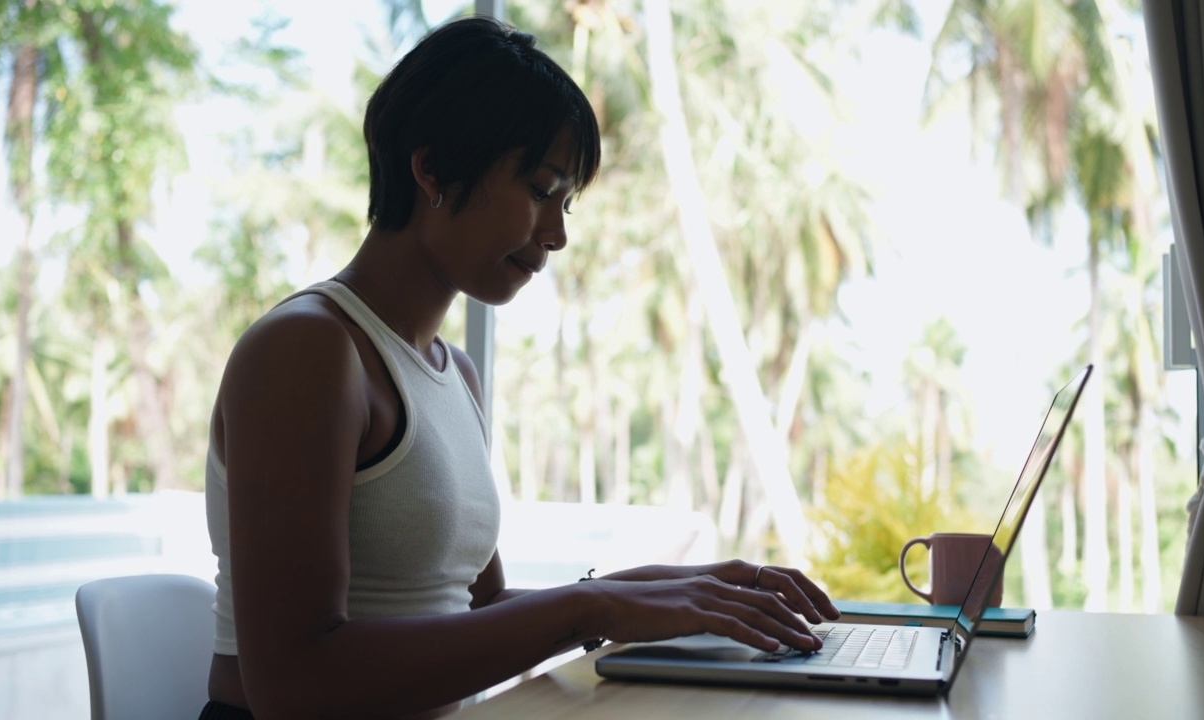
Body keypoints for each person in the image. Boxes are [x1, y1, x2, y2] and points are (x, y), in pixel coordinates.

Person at [200, 15, 840, 720]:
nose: (558, 234)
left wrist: (673, 591)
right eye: (540, 190)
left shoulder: (454, 373)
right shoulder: (308, 350)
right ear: (434, 168)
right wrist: (592, 604)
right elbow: (293, 685)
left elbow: (483, 609)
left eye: (565, 203)